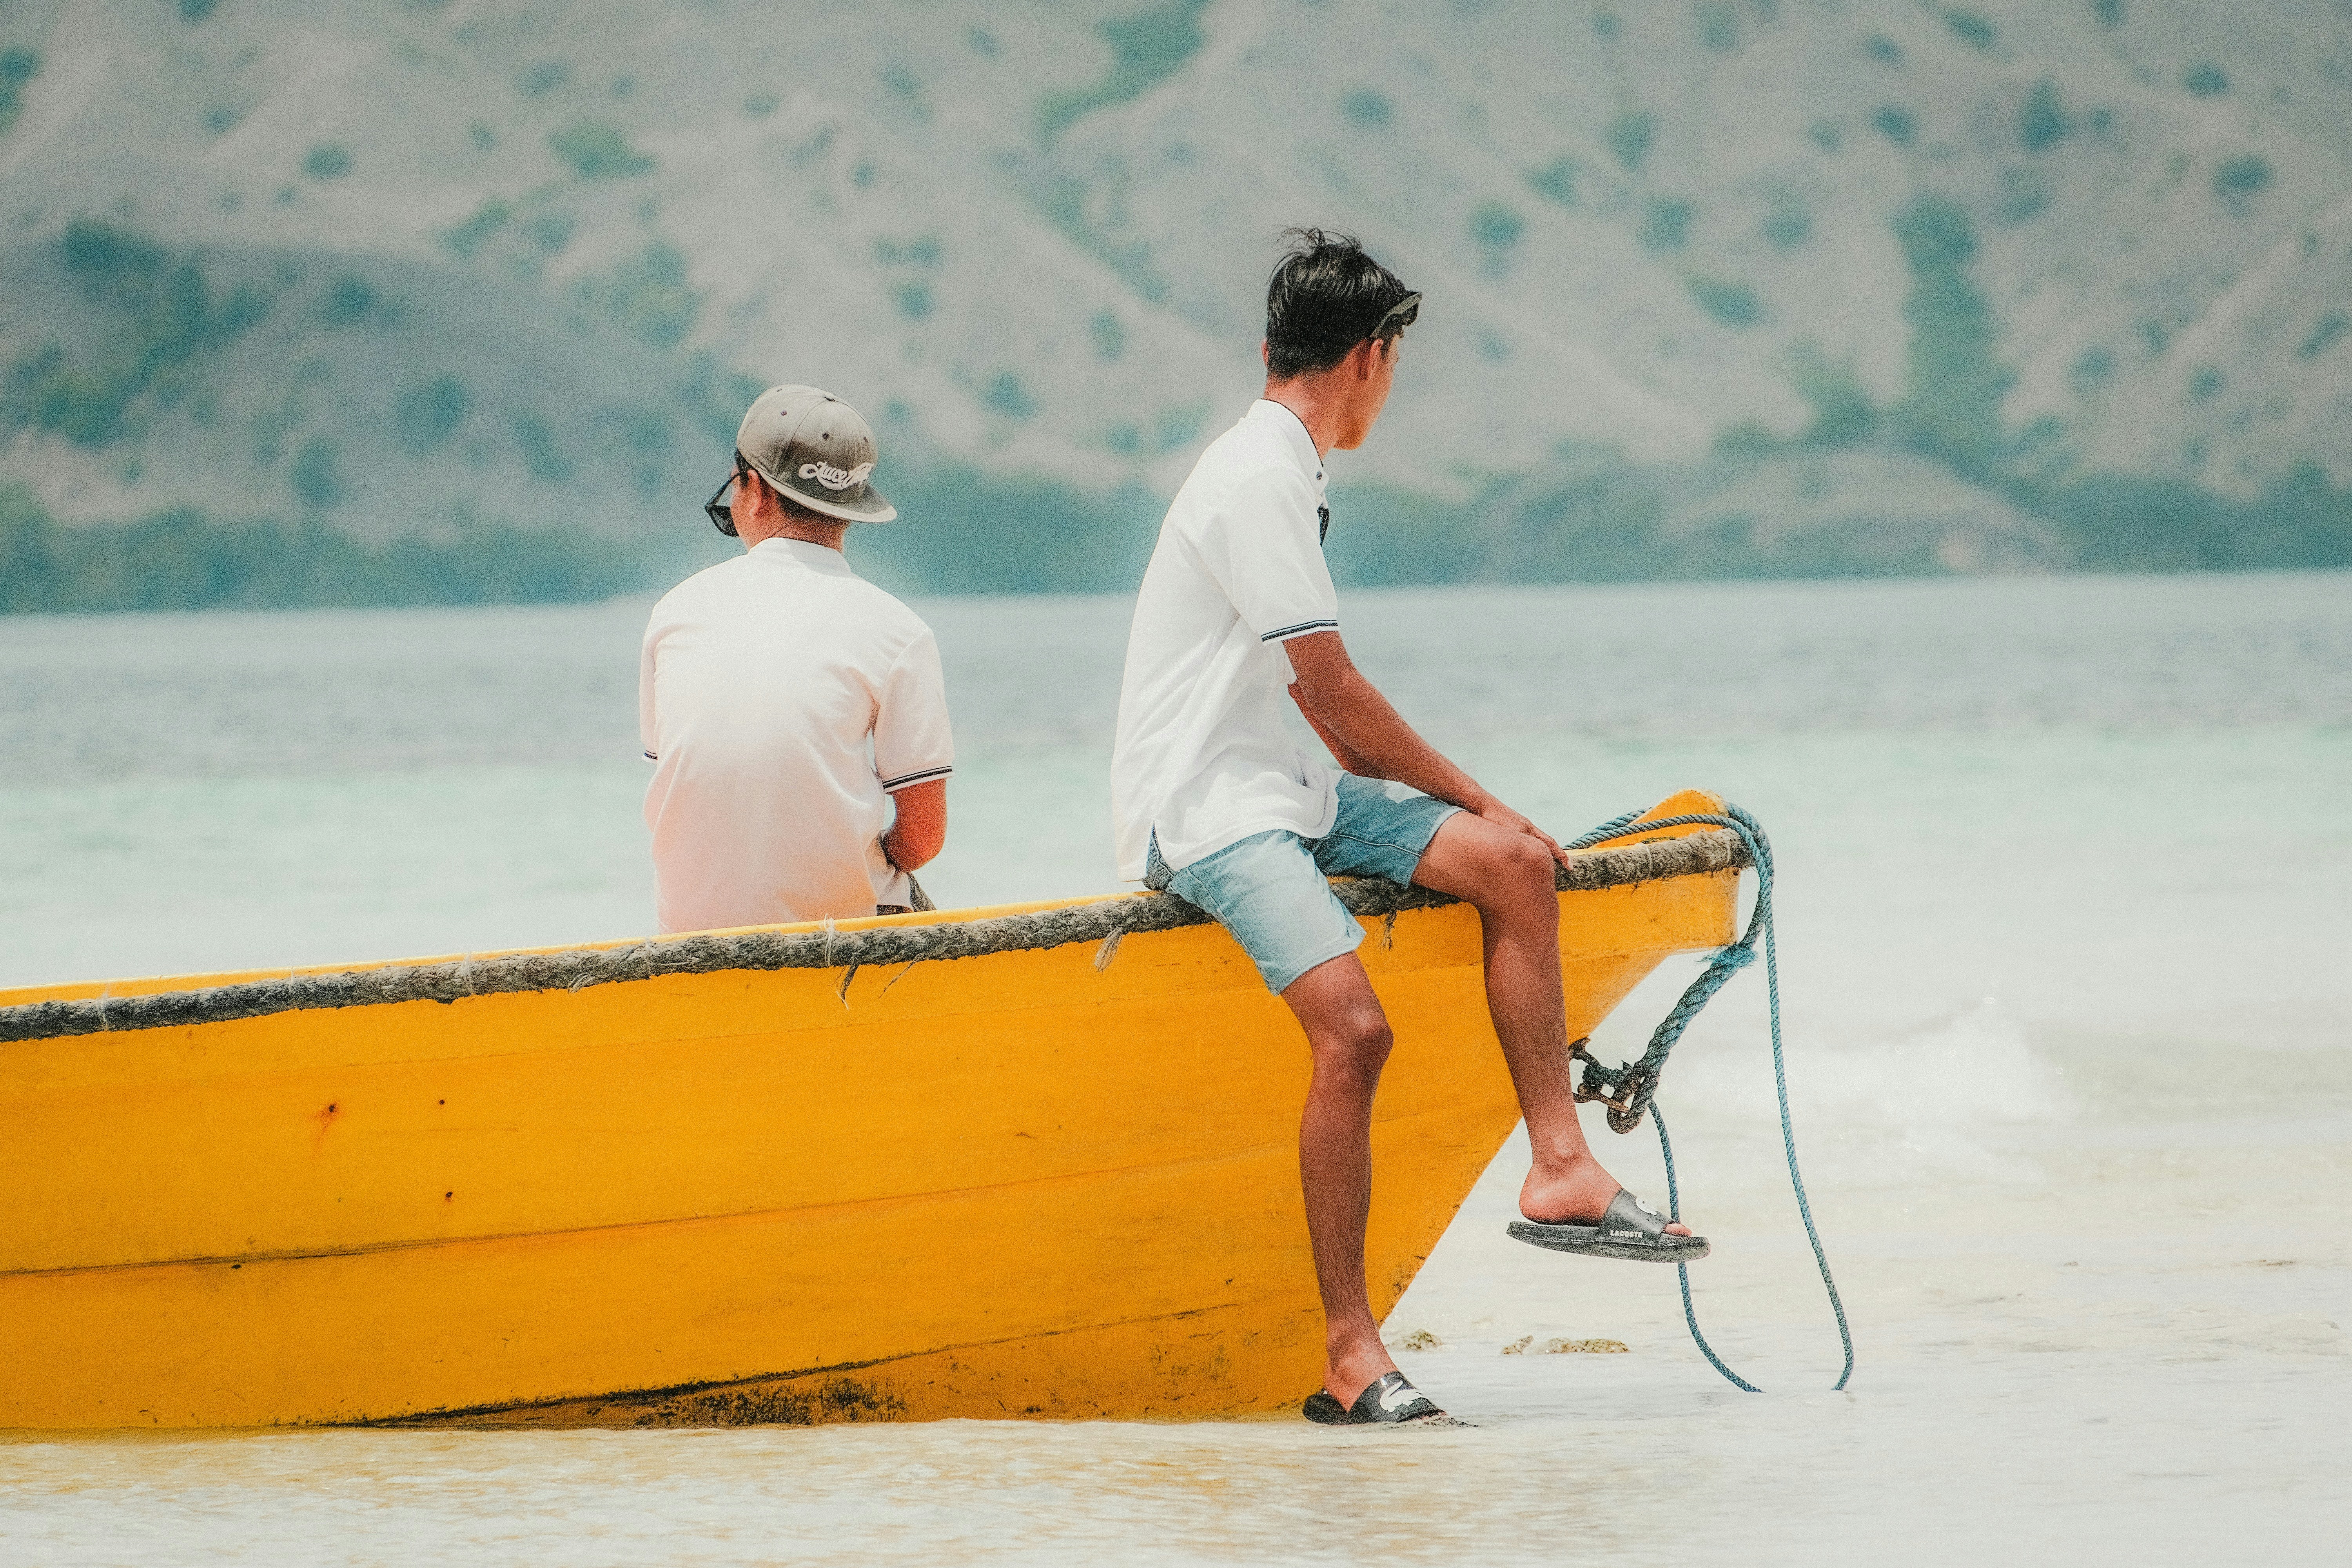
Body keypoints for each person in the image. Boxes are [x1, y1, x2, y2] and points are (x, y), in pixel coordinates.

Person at [1110, 229, 1702, 1428]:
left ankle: (1563, 1171)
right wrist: (1473, 790)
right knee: (1356, 1029)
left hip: (1287, 789)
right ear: (1372, 359)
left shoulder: (1288, 466)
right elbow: (1332, 692)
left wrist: (1480, 825)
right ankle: (1347, 1354)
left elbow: (1312, 716)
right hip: (1207, 808)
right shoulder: (1261, 476)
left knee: (1519, 869)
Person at [640, 385, 951, 932]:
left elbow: (699, 785)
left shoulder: (674, 613)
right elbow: (924, 839)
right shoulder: (898, 632)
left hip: (686, 933)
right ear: (852, 508)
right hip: (836, 932)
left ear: (753, 492)